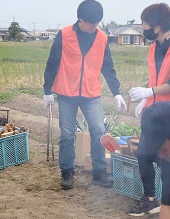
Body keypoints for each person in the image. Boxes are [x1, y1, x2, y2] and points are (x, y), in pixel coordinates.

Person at [43, 0, 127, 190]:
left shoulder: (102, 37)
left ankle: (98, 172)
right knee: (67, 133)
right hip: (66, 92)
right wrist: (47, 90)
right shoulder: (64, 34)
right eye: (91, 23)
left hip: (91, 93)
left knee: (98, 130)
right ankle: (67, 172)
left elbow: (108, 66)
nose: (94, 27)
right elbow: (52, 63)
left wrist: (116, 93)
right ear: (80, 19)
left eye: (98, 23)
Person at [126, 3, 170, 219]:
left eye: (146, 23)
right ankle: (150, 199)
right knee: (144, 153)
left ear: (159, 25)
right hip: (156, 111)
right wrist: (147, 99)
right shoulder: (155, 46)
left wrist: (148, 92)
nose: (143, 28)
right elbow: (158, 78)